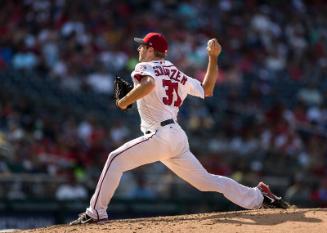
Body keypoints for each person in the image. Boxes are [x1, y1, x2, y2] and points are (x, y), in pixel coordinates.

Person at [70, 32, 288, 225]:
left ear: (151, 50)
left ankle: (96, 212)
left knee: (115, 159)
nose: (139, 49)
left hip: (160, 135)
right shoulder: (175, 71)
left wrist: (123, 101)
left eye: (142, 46)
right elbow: (208, 89)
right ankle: (258, 196)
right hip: (176, 137)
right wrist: (213, 58)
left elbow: (148, 85)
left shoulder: (145, 66)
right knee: (206, 182)